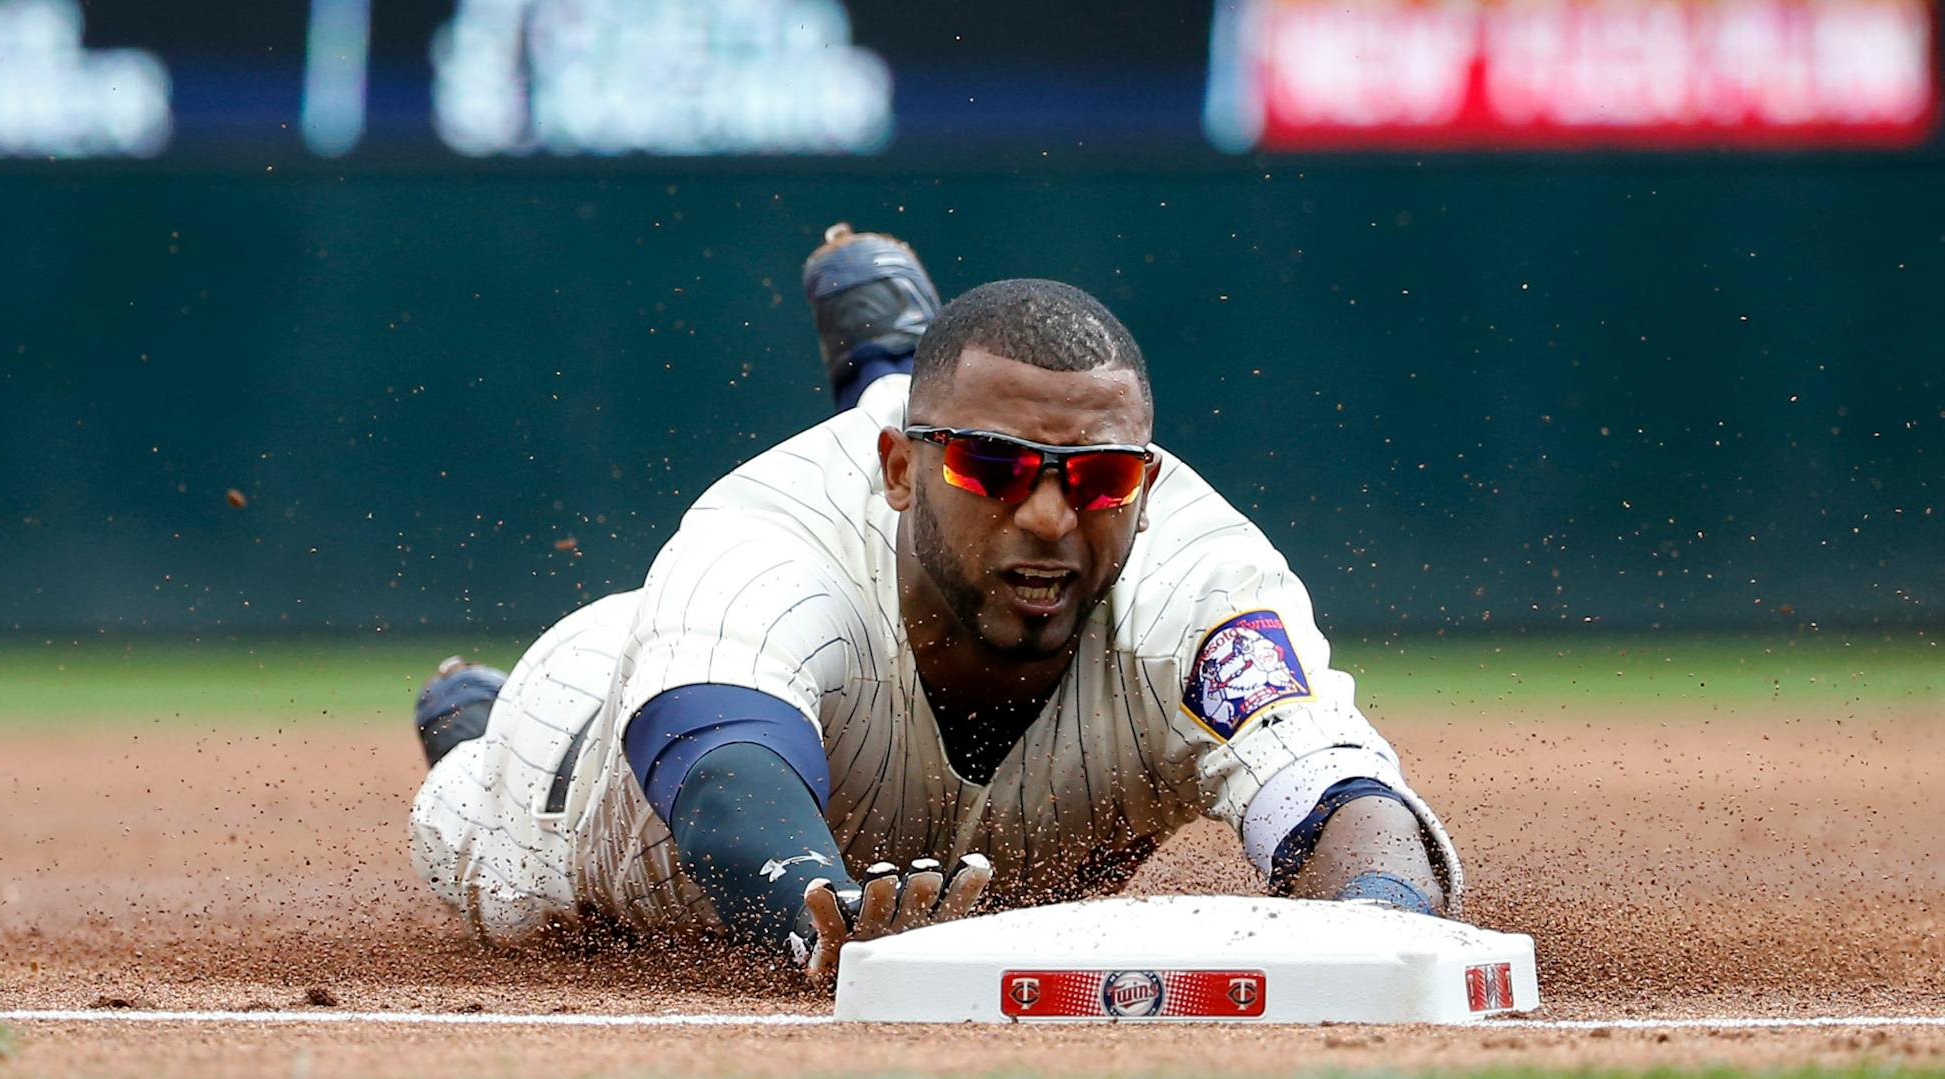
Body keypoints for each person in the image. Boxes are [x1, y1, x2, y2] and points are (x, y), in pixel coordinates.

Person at [409, 225, 1462, 979]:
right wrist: (807, 910)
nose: (1053, 516)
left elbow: (1338, 789)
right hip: (587, 728)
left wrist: (1383, 917)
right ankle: (468, 719)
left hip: (888, 557)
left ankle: (898, 359)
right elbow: (725, 769)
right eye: (996, 467)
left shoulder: (1197, 570)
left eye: (1097, 479)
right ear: (901, 473)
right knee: (468, 829)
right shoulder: (767, 537)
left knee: (971, 455)